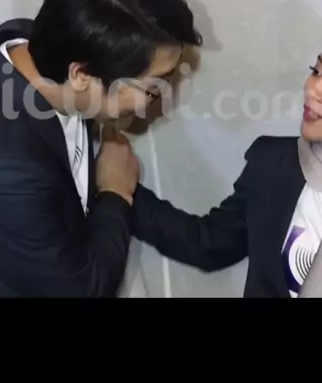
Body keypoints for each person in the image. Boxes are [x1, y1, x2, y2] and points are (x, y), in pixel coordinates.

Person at [0, 0, 201, 297]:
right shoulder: (2, 172)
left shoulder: (37, 49)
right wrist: (115, 192)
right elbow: (84, 289)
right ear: (81, 75)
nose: (162, 98)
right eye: (153, 86)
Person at [133, 54, 322, 297]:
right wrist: (120, 191)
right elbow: (209, 244)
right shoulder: (275, 164)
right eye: (316, 71)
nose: (313, 88)